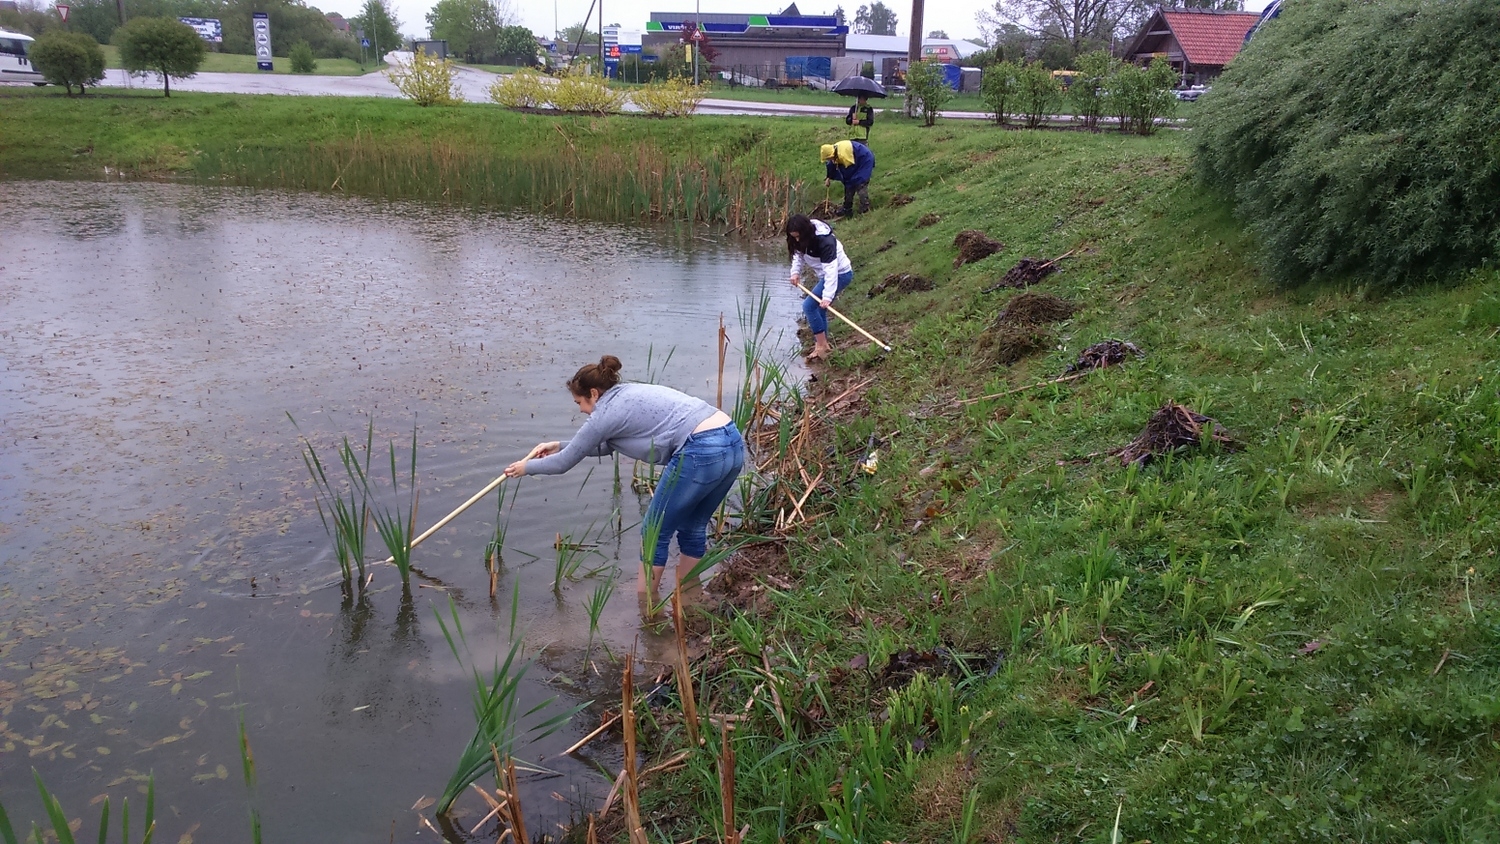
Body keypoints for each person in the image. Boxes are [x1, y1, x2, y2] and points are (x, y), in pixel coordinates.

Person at [503, 356, 744, 601]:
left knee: (654, 531)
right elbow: (606, 446)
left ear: (594, 394)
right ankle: (691, 597)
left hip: (700, 449)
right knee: (692, 526)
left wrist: (526, 468)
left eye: (579, 402)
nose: (580, 410)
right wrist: (558, 445)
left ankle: (645, 604)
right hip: (732, 441)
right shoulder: (626, 394)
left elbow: (565, 463)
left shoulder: (604, 414)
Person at [786, 213, 853, 362]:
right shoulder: (799, 238)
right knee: (819, 308)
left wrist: (827, 297)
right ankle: (824, 345)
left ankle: (821, 345)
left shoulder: (825, 241)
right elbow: (798, 254)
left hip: (840, 274)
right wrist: (795, 272)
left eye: (798, 237)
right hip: (826, 275)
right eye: (794, 237)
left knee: (809, 306)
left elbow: (831, 271)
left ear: (806, 233)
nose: (796, 240)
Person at [820, 138, 875, 218]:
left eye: (829, 158)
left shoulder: (843, 154)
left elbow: (849, 171)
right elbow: (831, 165)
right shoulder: (833, 153)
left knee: (860, 183)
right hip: (855, 161)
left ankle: (865, 208)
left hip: (864, 160)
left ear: (832, 154)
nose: (829, 160)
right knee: (848, 184)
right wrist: (828, 178)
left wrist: (848, 182)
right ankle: (847, 208)